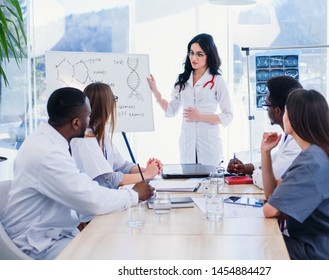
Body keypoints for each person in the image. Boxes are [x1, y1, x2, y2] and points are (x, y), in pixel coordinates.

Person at [1, 87, 155, 260]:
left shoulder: (47, 141)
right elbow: (91, 199)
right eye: (87, 116)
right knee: (117, 254)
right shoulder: (48, 153)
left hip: (52, 234)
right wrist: (133, 194)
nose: (90, 121)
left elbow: (81, 188)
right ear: (76, 123)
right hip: (38, 245)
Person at [261, 88, 329, 260]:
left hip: (325, 251)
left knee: (258, 244)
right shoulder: (317, 152)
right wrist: (265, 152)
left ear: (295, 118)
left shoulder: (312, 163)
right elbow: (272, 193)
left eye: (286, 110)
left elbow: (269, 210)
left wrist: (275, 206)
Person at [147, 33, 233, 166]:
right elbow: (171, 110)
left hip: (209, 146)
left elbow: (228, 116)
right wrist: (156, 92)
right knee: (188, 183)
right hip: (188, 145)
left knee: (210, 184)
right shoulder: (182, 79)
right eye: (191, 53)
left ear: (209, 55)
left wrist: (200, 117)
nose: (194, 57)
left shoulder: (217, 80)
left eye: (199, 54)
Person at [70, 82, 162, 189]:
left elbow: (123, 166)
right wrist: (146, 175)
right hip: (95, 199)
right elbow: (109, 179)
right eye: (113, 99)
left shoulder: (99, 132)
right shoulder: (85, 139)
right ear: (105, 106)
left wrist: (149, 170)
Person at [227, 76, 302, 188]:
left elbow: (267, 181)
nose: (266, 110)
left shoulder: (296, 143)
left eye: (266, 106)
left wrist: (255, 173)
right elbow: (273, 162)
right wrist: (245, 167)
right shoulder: (289, 136)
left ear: (278, 111)